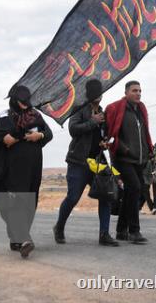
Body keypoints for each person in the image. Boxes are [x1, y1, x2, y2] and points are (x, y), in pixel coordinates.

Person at [0, 85, 53, 258]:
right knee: (17, 201)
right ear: (14, 100)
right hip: (12, 169)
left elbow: (49, 133)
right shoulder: (4, 117)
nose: (24, 105)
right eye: (21, 102)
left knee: (30, 202)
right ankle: (24, 239)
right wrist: (7, 139)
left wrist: (40, 136)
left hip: (34, 167)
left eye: (26, 102)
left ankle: (16, 237)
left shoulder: (36, 115)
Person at [53, 79, 119, 247]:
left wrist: (104, 141)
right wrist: (93, 121)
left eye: (100, 92)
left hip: (97, 162)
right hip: (79, 161)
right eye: (95, 92)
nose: (98, 95)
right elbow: (73, 130)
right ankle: (59, 227)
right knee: (73, 197)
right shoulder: (79, 109)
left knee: (105, 196)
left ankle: (104, 234)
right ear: (89, 94)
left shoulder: (102, 112)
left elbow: (101, 133)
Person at [105, 80, 152, 244]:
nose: (138, 93)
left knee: (131, 193)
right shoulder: (116, 108)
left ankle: (120, 230)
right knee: (135, 188)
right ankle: (134, 231)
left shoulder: (141, 110)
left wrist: (148, 151)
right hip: (123, 158)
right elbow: (109, 134)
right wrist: (123, 149)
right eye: (134, 90)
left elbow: (145, 133)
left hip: (139, 159)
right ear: (126, 92)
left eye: (140, 91)